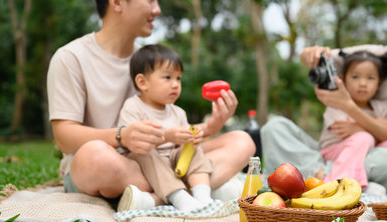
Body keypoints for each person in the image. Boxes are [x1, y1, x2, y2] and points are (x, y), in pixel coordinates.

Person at [47, 0, 255, 209]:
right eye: (150, 1)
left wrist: (212, 126)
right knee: (95, 156)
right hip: (110, 166)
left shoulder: (152, 61)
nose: (157, 9)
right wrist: (122, 136)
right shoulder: (71, 58)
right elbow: (63, 137)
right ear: (117, 2)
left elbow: (173, 134)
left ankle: (153, 200)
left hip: (162, 160)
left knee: (242, 141)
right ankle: (196, 191)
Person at [261, 6, 387, 193]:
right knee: (274, 128)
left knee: (385, 162)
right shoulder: (377, 55)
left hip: (375, 153)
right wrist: (309, 54)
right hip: (332, 149)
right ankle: (332, 176)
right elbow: (324, 58)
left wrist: (350, 109)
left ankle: (311, 177)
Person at [116, 44, 214, 211]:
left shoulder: (178, 112)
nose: (175, 84)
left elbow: (183, 146)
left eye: (178, 78)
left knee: (196, 152)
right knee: (145, 152)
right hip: (144, 164)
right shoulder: (133, 106)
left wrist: (191, 139)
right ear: (142, 82)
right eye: (168, 78)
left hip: (172, 163)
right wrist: (167, 136)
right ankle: (180, 198)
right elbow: (133, 143)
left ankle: (203, 196)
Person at [319, 51, 387, 193]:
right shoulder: (337, 105)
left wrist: (359, 128)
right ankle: (340, 183)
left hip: (370, 152)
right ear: (343, 80)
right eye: (355, 77)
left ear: (379, 83)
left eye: (370, 78)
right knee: (363, 138)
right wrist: (374, 127)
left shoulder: (381, 108)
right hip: (334, 151)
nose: (362, 83)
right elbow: (346, 134)